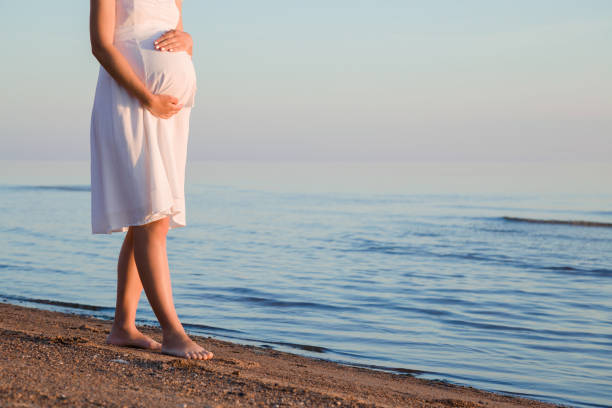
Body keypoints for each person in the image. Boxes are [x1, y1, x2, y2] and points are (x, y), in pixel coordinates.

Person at [89, 0, 213, 360]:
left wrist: (189, 42)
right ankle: (173, 332)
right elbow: (100, 45)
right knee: (152, 218)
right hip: (130, 103)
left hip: (170, 114)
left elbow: (175, 33)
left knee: (150, 220)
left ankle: (123, 327)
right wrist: (148, 98)